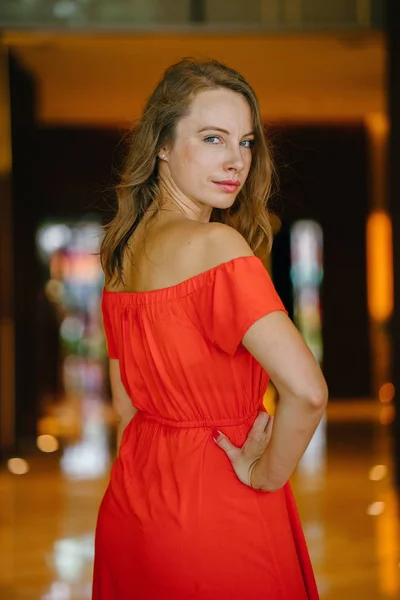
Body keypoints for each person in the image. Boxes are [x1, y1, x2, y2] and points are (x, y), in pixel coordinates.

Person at [94, 58, 328, 599]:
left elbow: (127, 406)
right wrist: (266, 474)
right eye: (212, 138)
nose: (235, 161)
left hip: (135, 505)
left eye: (245, 142)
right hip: (219, 497)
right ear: (162, 145)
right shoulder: (217, 247)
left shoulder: (119, 256)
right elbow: (308, 391)